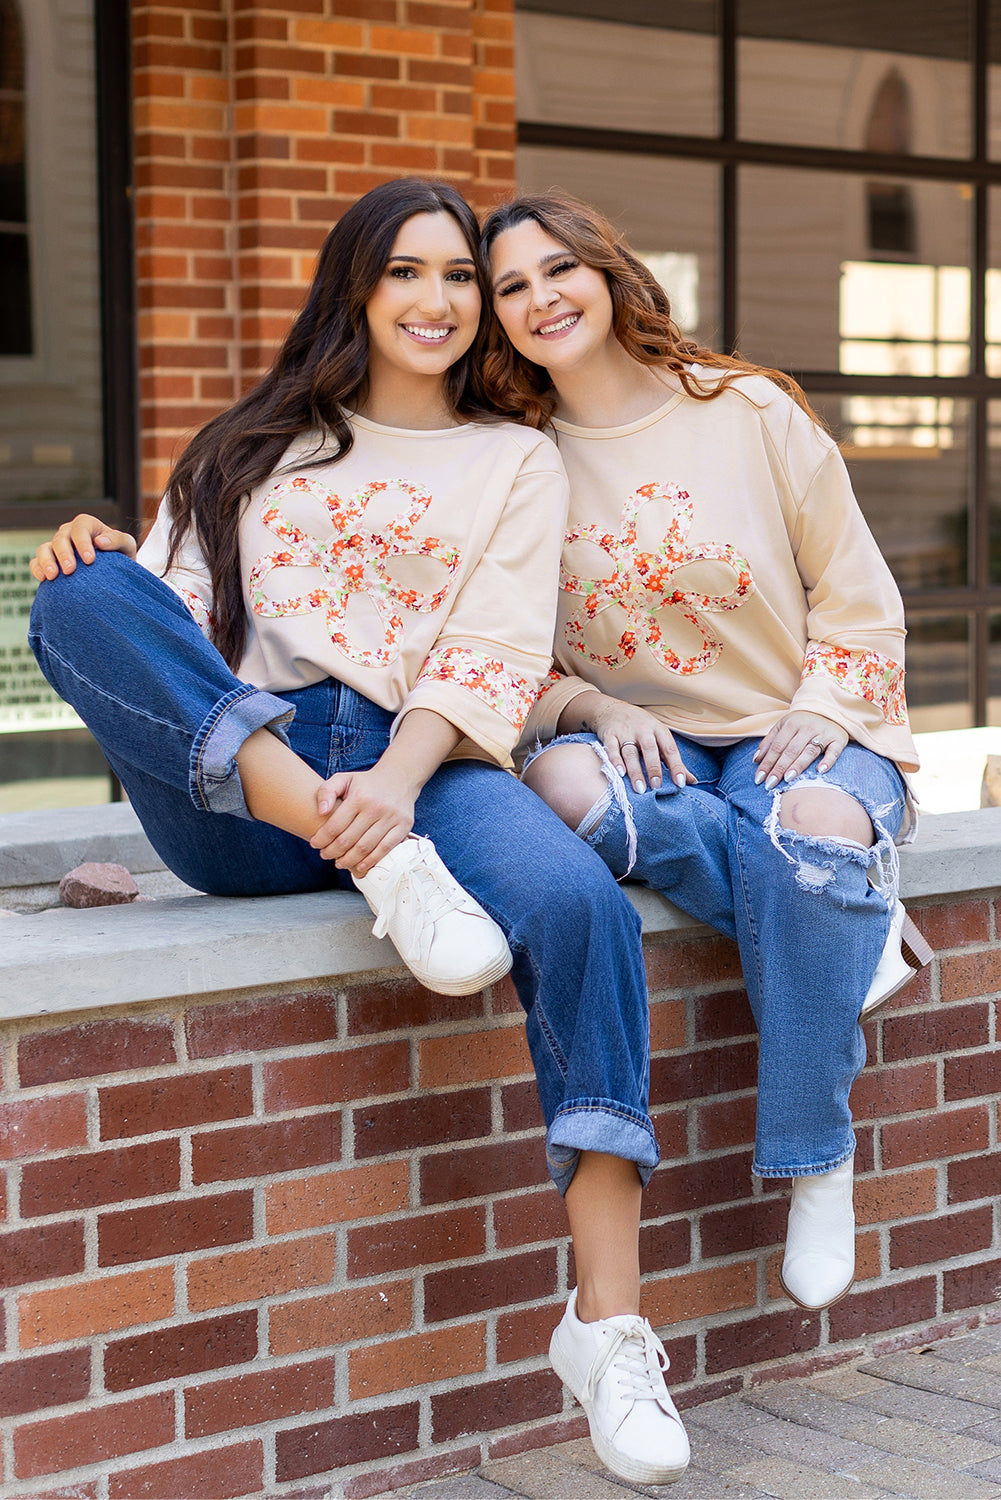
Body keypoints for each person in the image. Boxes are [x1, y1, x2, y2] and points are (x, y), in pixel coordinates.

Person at [29, 180, 691, 1488]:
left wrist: (394, 784)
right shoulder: (246, 447)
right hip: (245, 788)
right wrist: (100, 560)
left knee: (577, 908)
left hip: (424, 761)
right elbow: (164, 636)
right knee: (80, 587)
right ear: (356, 289)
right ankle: (379, 865)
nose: (437, 302)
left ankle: (607, 1325)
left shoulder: (513, 456)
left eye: (460, 277)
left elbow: (496, 646)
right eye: (406, 274)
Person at [481, 193, 932, 1329]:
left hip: (802, 725)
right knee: (564, 788)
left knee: (813, 824)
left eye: (555, 271)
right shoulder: (515, 463)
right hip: (658, 749)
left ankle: (814, 1155)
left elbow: (859, 598)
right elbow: (488, 660)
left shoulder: (743, 409)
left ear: (605, 271)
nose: (539, 300)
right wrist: (584, 700)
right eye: (509, 288)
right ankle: (849, 918)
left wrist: (827, 704)